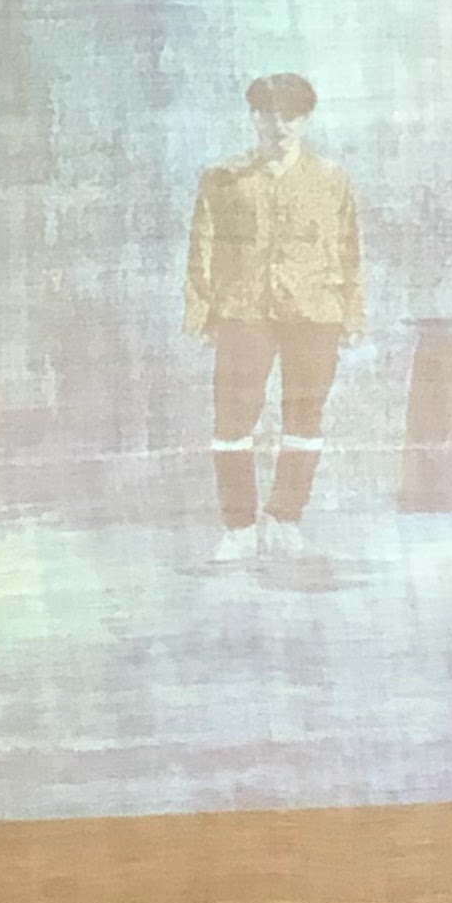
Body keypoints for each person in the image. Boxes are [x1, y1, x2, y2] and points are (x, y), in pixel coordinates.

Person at [183, 74, 363, 578]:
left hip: (314, 311)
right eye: (268, 114)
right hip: (243, 310)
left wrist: (351, 314)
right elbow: (201, 245)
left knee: (304, 416)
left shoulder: (331, 180)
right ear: (254, 117)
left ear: (306, 119)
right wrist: (203, 312)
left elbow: (349, 248)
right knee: (233, 418)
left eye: (291, 115)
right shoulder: (223, 179)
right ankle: (239, 528)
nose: (279, 125)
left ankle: (285, 520)